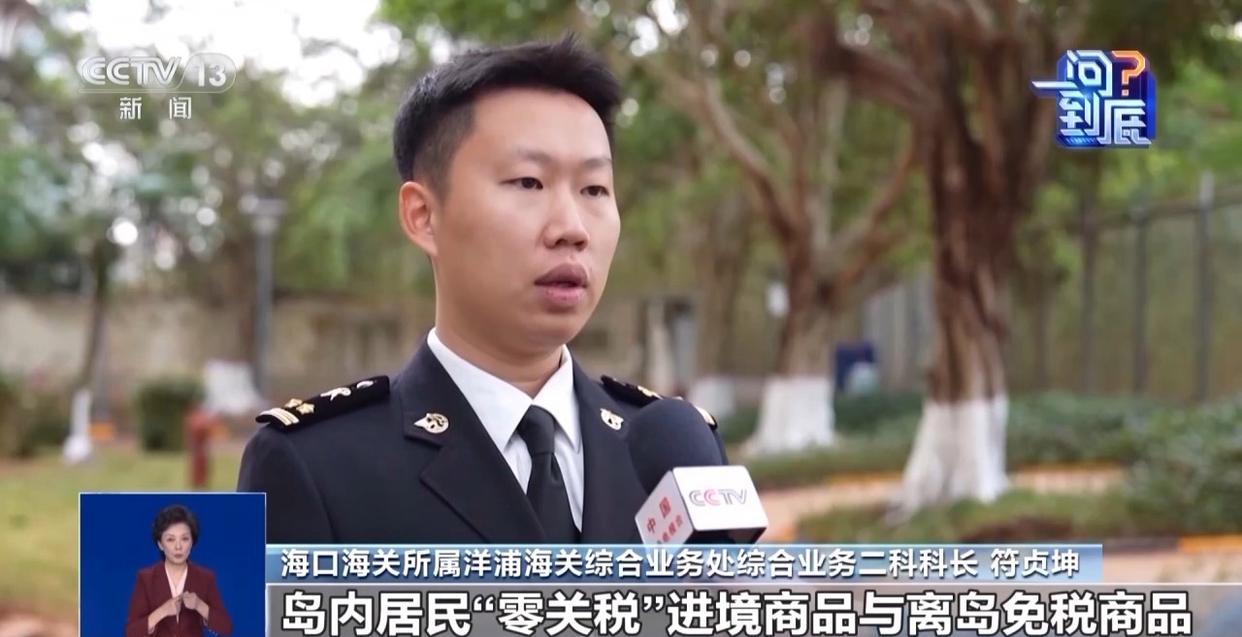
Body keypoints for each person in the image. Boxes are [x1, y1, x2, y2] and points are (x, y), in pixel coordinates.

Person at [237, 35, 724, 544]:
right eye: (528, 182)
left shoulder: (674, 452)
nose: (572, 228)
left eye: (594, 189)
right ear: (423, 216)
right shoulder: (314, 464)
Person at [125, 505, 232, 637]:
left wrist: (199, 605)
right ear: (160, 544)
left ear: (192, 542)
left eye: (184, 538)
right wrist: (161, 612)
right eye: (170, 539)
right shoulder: (146, 578)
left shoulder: (205, 577)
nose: (178, 547)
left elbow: (225, 627)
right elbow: (131, 632)